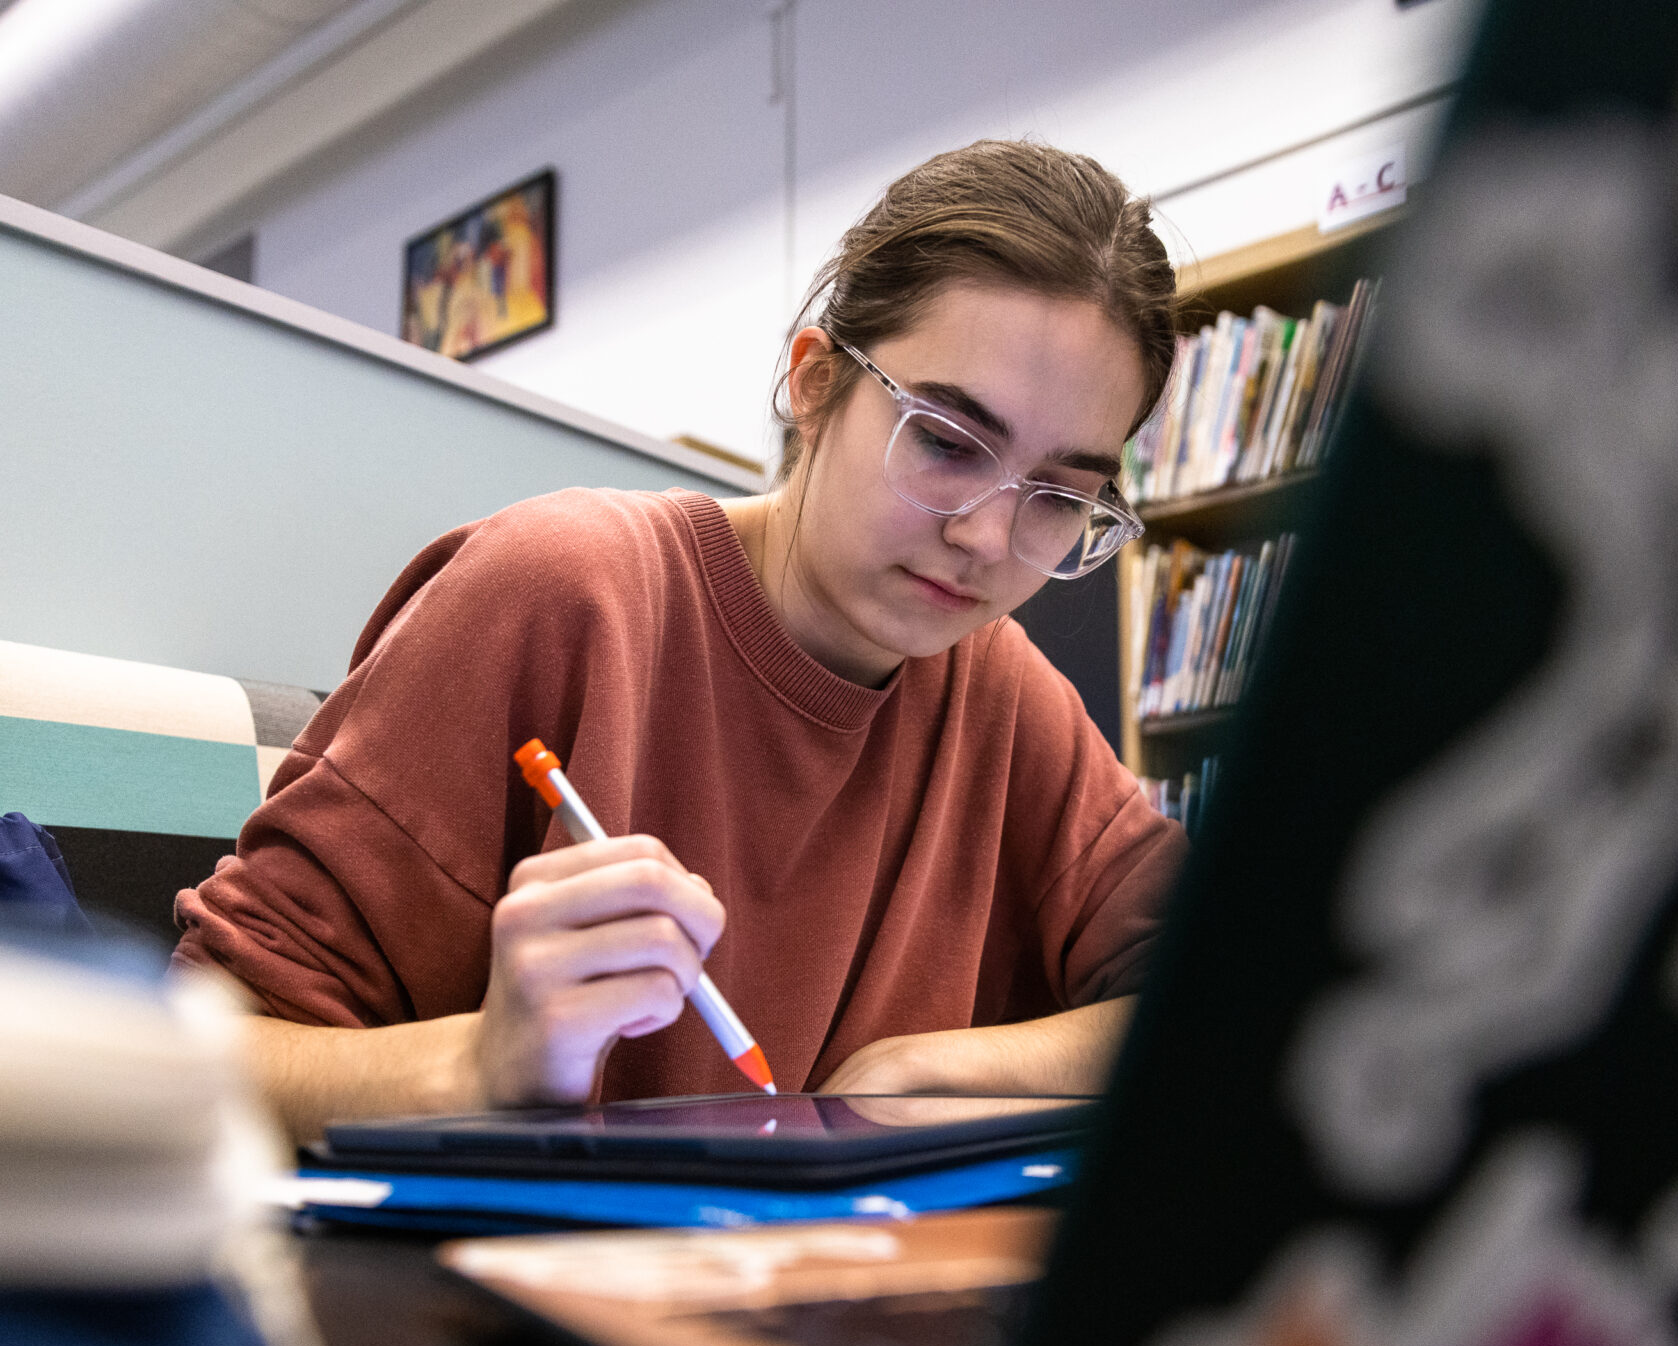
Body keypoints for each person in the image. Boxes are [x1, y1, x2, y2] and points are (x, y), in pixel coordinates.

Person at [175, 139, 1186, 1139]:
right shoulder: (563, 593)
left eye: (1057, 498)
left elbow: (1239, 986)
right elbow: (200, 1054)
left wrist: (933, 1070)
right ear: (815, 382)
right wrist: (481, 1062)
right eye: (943, 441)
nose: (984, 538)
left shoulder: (997, 690)